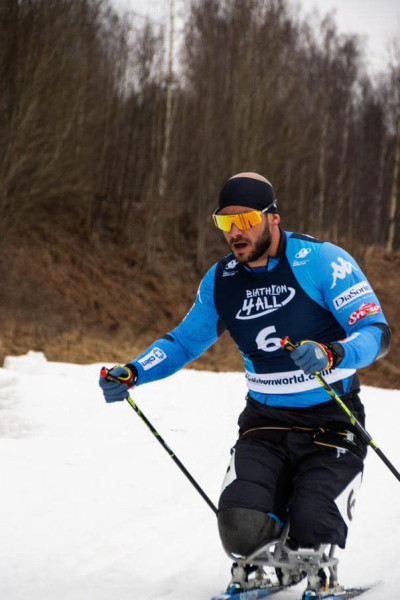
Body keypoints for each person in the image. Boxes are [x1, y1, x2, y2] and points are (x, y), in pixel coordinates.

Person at [99, 172, 390, 589]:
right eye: (225, 222)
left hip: (331, 419)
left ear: (273, 218)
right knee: (239, 529)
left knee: (313, 523)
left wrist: (333, 353)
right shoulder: (222, 281)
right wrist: (134, 371)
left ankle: (316, 556)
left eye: (246, 219)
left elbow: (377, 333)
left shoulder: (322, 261)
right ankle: (262, 558)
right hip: (265, 422)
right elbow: (183, 343)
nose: (235, 232)